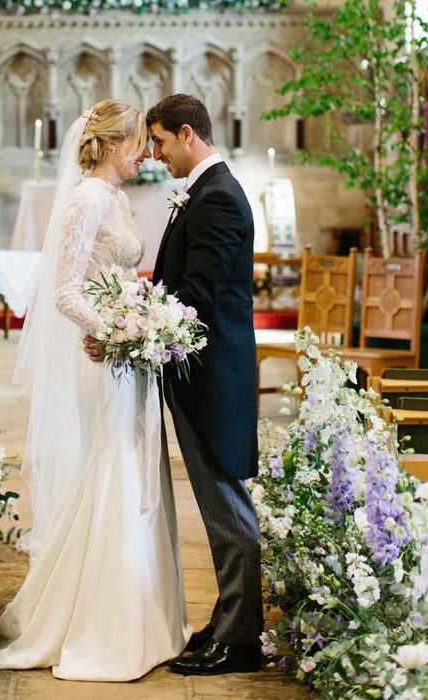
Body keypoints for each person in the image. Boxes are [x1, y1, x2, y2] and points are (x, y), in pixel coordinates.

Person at [0, 99, 191, 681]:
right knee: (115, 466)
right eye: (135, 145)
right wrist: (119, 331)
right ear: (108, 144)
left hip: (127, 352)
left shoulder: (118, 199)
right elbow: (64, 292)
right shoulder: (82, 201)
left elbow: (121, 274)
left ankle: (146, 617)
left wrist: (142, 314)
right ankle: (103, 625)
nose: (145, 155)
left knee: (135, 466)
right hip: (102, 356)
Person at [147, 94, 263, 675]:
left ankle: (240, 642)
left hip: (212, 375)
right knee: (220, 505)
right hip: (203, 372)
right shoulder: (208, 190)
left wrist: (137, 323)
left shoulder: (216, 197)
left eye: (161, 142)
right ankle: (227, 621)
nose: (155, 154)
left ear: (187, 133)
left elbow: (199, 295)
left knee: (227, 507)